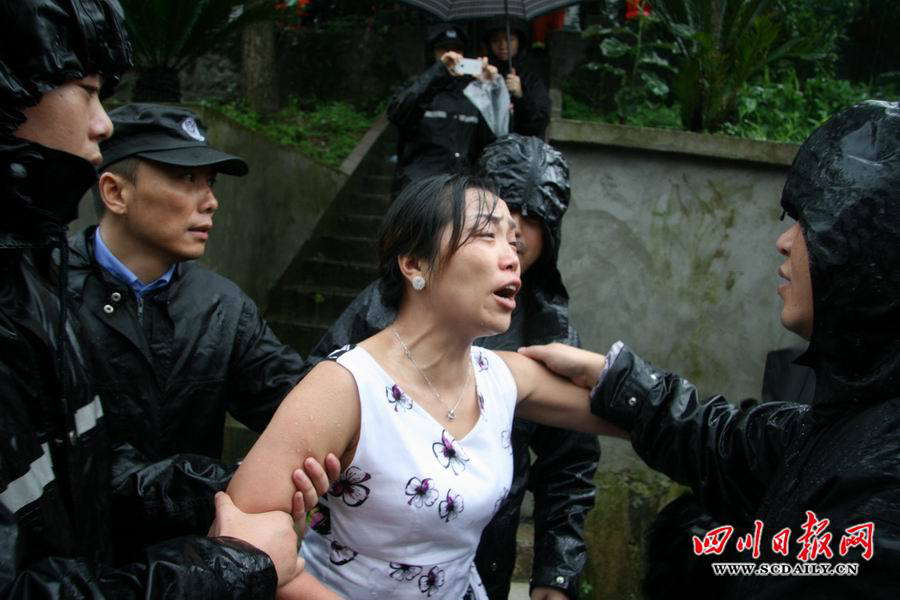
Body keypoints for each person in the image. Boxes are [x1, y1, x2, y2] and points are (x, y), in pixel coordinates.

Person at [521, 100, 900, 598]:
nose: (784, 241)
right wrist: (615, 379)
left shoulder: (882, 490)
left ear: (863, 250)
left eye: (809, 226)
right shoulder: (854, 415)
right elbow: (733, 443)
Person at [0, 2, 312, 596]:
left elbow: (300, 397)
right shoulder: (39, 295)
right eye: (185, 179)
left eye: (212, 183)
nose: (209, 201)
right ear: (115, 191)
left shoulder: (225, 307)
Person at [226, 174, 624, 599]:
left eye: (514, 243)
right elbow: (240, 543)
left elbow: (640, 414)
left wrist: (599, 365)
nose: (511, 257)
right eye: (487, 235)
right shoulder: (347, 386)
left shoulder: (503, 376)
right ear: (415, 263)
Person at [306, 134, 599, 600]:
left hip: (483, 555)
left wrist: (556, 572)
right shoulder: (384, 309)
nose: (517, 233)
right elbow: (311, 413)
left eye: (533, 219)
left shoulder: (552, 333)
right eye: (496, 221)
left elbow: (570, 464)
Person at [387, 23, 501, 197]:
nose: (452, 56)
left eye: (457, 50)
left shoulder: (474, 93)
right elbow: (397, 113)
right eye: (444, 50)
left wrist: (490, 89)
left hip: (459, 192)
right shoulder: (418, 87)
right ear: (432, 52)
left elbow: (497, 139)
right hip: (419, 191)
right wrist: (439, 71)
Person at [481, 17, 551, 139]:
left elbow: (539, 122)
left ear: (519, 42)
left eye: (509, 39)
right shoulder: (482, 75)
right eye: (496, 41)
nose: (503, 46)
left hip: (521, 150)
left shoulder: (531, 78)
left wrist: (520, 95)